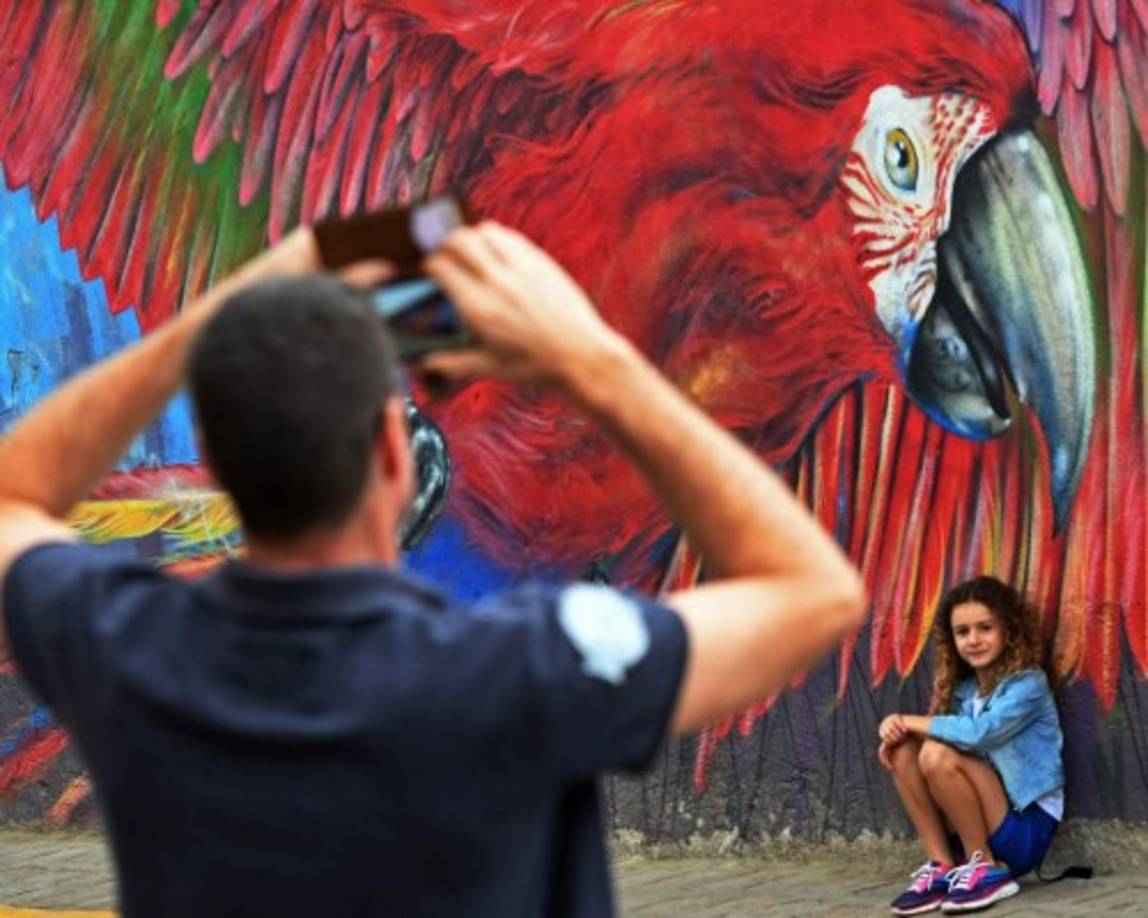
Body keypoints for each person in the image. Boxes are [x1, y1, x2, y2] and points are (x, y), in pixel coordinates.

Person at [0, 221, 866, 917]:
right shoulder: (519, 668)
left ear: (218, 469)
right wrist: (594, 367)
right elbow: (813, 591)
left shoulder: (131, 650)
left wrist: (225, 323)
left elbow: (15, 499)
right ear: (393, 449)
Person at [878, 576, 1064, 915]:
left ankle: (986, 868)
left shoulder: (1029, 684)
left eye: (985, 628)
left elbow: (981, 733)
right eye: (962, 632)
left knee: (936, 753)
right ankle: (943, 864)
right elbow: (954, 734)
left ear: (1009, 629)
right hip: (976, 819)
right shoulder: (964, 691)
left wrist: (909, 720)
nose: (973, 640)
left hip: (1024, 829)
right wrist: (897, 731)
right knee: (904, 750)